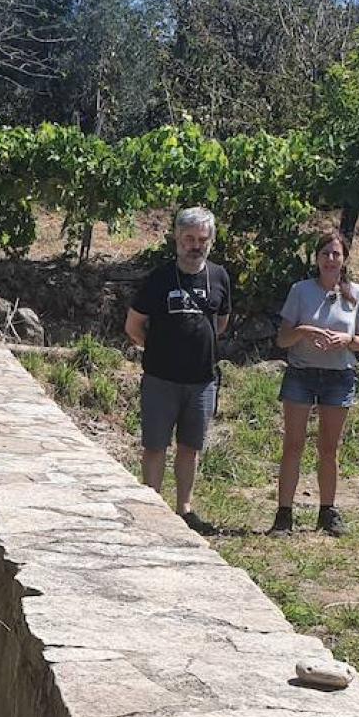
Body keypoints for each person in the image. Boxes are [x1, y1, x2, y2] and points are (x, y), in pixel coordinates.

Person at [125, 207, 232, 534]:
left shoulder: (219, 276)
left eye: (202, 239)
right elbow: (133, 326)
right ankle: (152, 506)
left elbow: (222, 322)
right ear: (176, 238)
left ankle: (185, 509)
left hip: (201, 381)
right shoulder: (158, 278)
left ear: (211, 241)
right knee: (155, 445)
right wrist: (159, 350)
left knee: (191, 446)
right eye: (189, 238)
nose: (195, 245)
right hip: (160, 378)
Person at [271, 230, 359, 536]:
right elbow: (282, 338)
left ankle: (327, 512)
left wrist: (346, 339)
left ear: (344, 259)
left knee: (329, 448)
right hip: (302, 373)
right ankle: (284, 514)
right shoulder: (300, 291)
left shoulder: (358, 295)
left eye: (336, 254)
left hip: (338, 376)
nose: (330, 259)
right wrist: (303, 331)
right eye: (325, 253)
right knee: (293, 445)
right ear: (316, 258)